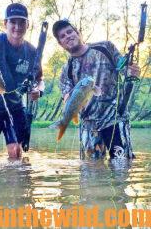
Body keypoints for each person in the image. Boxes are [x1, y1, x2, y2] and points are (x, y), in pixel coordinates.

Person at [52, 19, 140, 159]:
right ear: (60, 44)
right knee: (90, 172)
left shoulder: (105, 47)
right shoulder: (66, 70)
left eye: (70, 32)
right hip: (89, 125)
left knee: (122, 165)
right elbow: (67, 96)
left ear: (78, 33)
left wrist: (132, 71)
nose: (67, 36)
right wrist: (70, 104)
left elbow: (124, 70)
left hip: (115, 118)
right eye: (62, 36)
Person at [0, 3, 44, 159]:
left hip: (15, 107)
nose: (17, 26)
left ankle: (17, 181)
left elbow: (39, 78)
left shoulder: (32, 52)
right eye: (13, 22)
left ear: (28, 25)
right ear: (5, 23)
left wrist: (39, 90)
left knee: (16, 153)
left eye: (22, 22)